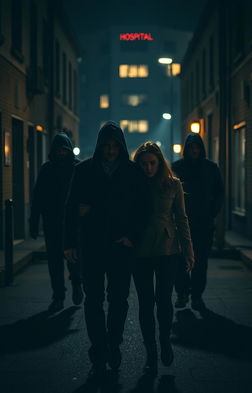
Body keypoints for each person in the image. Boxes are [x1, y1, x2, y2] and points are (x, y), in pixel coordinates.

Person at [64, 121, 148, 379]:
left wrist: (132, 236)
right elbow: (70, 208)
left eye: (114, 146)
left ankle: (113, 343)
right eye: (106, 146)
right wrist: (68, 244)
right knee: (93, 300)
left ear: (120, 146)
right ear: (100, 145)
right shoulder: (84, 170)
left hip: (121, 246)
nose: (110, 151)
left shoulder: (133, 172)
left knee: (119, 299)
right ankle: (98, 346)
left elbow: (144, 208)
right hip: (92, 245)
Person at [133, 142, 194, 376]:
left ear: (160, 163)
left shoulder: (173, 184)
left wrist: (189, 250)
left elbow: (182, 218)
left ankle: (164, 339)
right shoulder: (134, 185)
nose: (148, 167)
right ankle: (151, 351)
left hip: (168, 249)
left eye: (152, 163)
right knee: (146, 302)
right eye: (144, 163)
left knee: (164, 299)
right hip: (140, 250)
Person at [29, 132, 83, 313]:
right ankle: (58, 296)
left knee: (74, 258)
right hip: (52, 223)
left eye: (64, 150)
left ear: (68, 150)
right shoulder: (47, 169)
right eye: (58, 150)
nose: (61, 153)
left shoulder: (77, 167)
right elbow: (37, 198)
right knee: (54, 262)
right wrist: (34, 222)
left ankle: (76, 284)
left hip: (72, 224)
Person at [172, 133, 224, 311]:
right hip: (181, 223)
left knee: (201, 262)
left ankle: (196, 296)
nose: (194, 150)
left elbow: (219, 193)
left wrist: (212, 213)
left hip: (204, 223)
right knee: (180, 260)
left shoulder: (211, 168)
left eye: (197, 147)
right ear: (186, 149)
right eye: (191, 147)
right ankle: (182, 292)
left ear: (201, 148)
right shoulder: (177, 167)